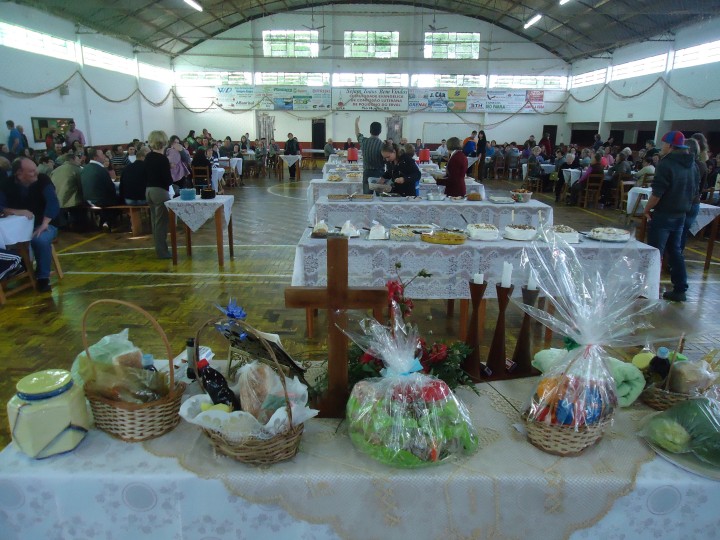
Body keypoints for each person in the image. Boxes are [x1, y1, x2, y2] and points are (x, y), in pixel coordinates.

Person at [643, 132, 699, 302]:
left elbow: (658, 192)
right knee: (675, 251)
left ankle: (648, 288)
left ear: (671, 146)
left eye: (665, 143)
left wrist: (647, 209)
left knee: (654, 252)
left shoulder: (666, 164)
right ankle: (680, 288)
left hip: (664, 213)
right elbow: (695, 190)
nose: (663, 147)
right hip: (681, 213)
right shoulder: (692, 164)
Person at [0, 157, 60, 292]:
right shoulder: (6, 184)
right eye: (32, 171)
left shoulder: (43, 180)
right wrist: (15, 211)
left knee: (40, 239)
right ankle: (19, 270)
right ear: (19, 173)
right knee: (8, 242)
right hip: (19, 228)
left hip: (45, 222)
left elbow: (53, 201)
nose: (36, 173)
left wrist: (45, 223)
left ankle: (42, 278)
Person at [144, 130, 173, 260]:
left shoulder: (148, 157)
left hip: (148, 191)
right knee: (161, 224)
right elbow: (168, 180)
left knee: (155, 222)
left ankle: (159, 249)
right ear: (163, 143)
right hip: (160, 192)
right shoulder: (163, 159)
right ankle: (163, 252)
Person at [81, 147, 121, 230]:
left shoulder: (85, 169)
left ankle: (103, 219)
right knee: (120, 200)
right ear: (96, 157)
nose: (104, 156)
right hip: (100, 200)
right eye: (102, 154)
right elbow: (110, 188)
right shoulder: (101, 169)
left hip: (87, 199)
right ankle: (107, 221)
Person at [355, 117, 385, 194]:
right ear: (380, 131)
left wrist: (356, 123)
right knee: (380, 197)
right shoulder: (383, 145)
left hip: (367, 173)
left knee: (367, 197)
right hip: (380, 174)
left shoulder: (364, 141)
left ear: (370, 130)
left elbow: (357, 133)